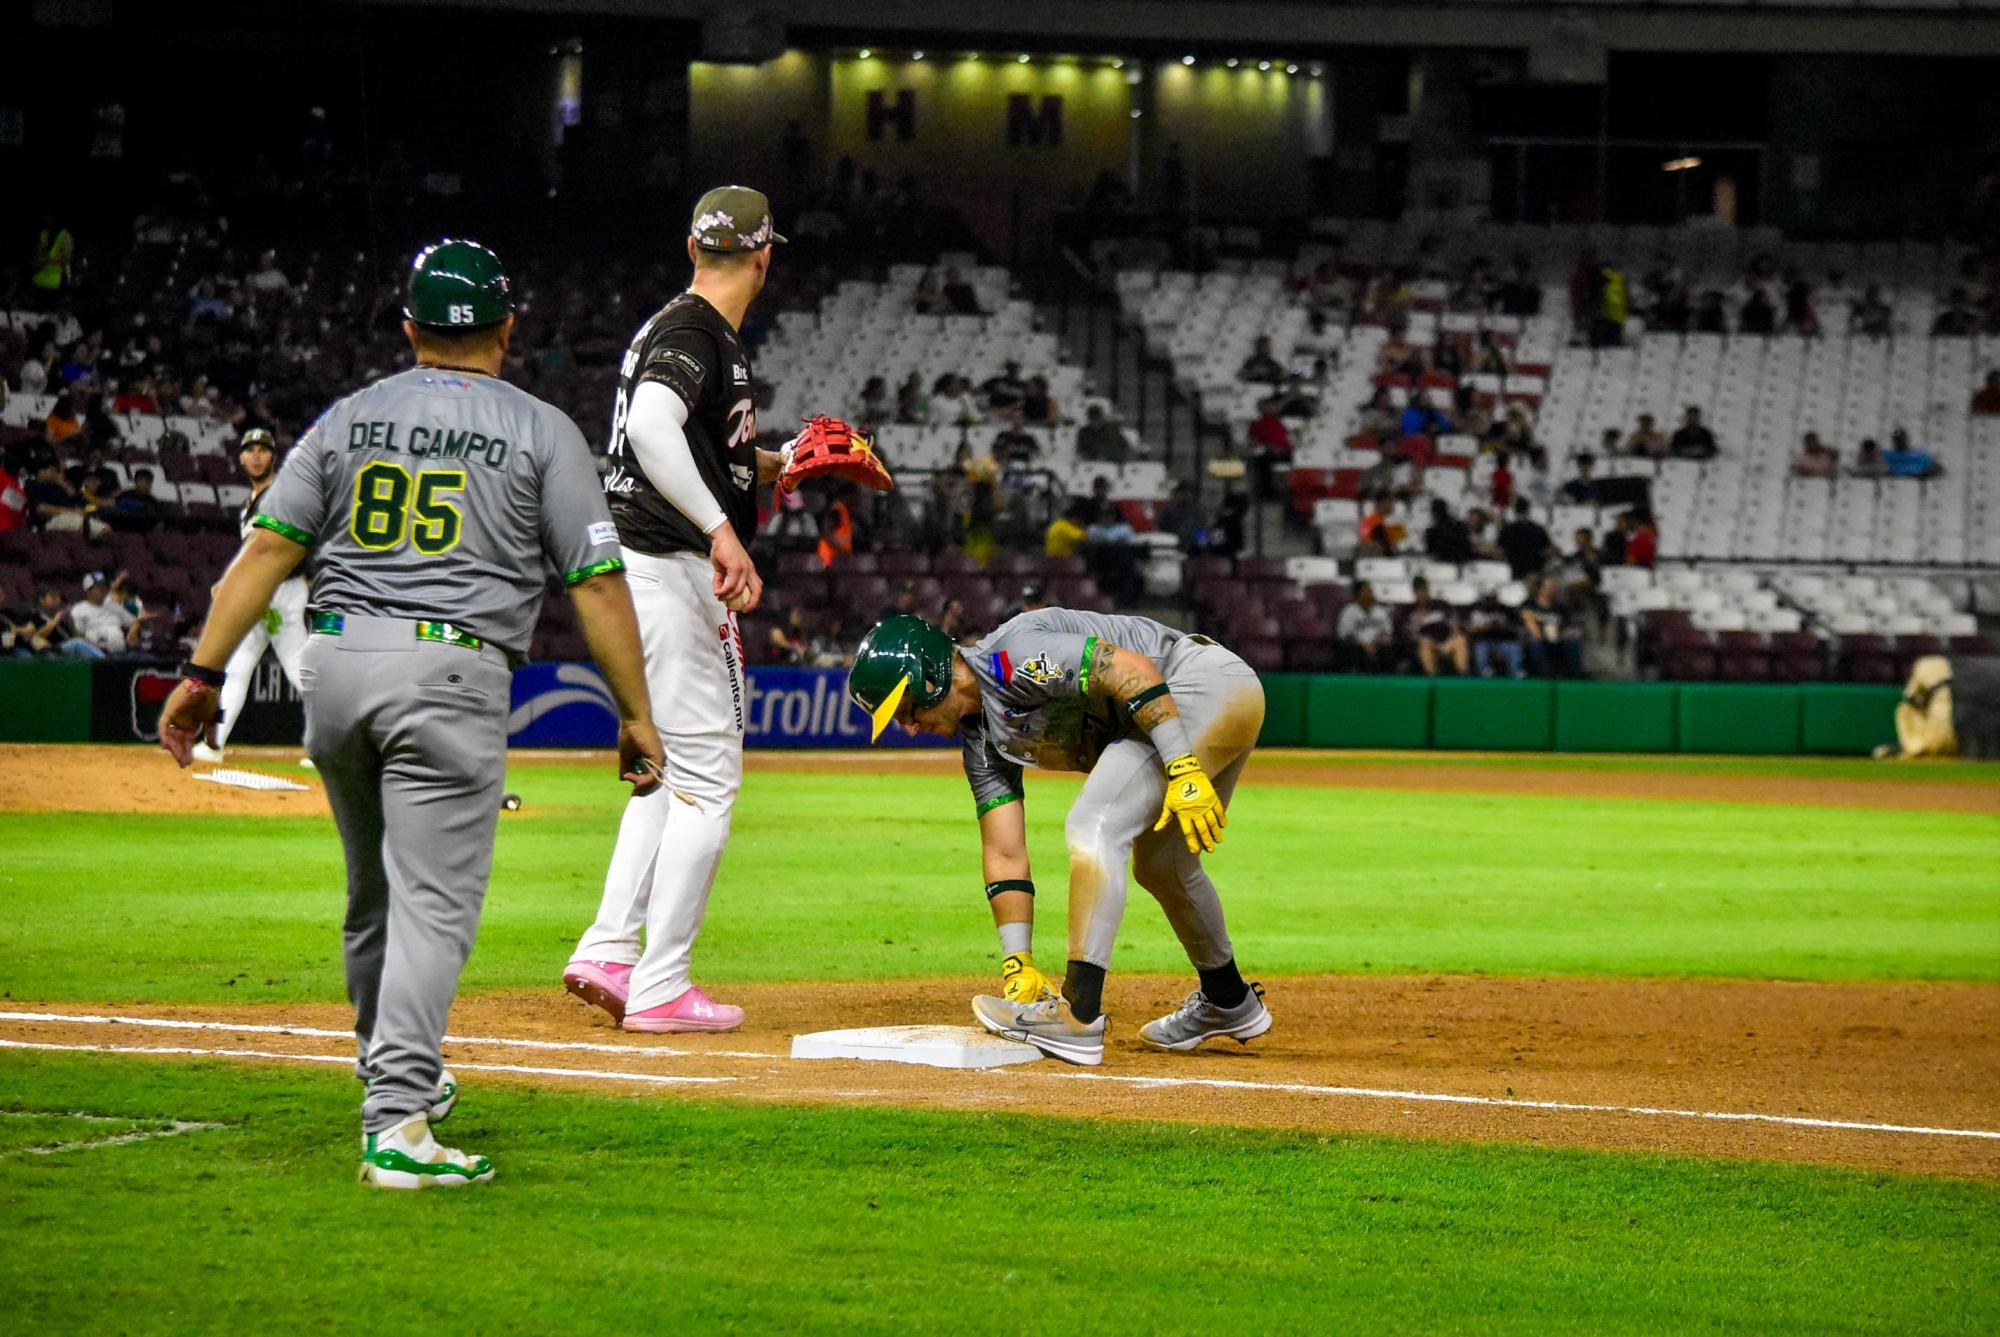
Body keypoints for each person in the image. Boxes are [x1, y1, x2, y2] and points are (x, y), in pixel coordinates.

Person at [156, 237, 664, 1190]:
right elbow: (597, 582)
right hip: (450, 673)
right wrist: (636, 711)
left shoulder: (348, 416)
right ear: (507, 329)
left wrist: (199, 672)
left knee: (374, 896)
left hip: (336, 665)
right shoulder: (543, 428)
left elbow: (266, 551)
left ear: (408, 330)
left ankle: (398, 1070)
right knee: (432, 905)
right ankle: (397, 1123)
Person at [566, 188, 800, 1038]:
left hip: (645, 566)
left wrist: (775, 462)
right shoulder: (698, 330)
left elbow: (686, 439)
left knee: (669, 772)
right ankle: (660, 984)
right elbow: (653, 426)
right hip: (668, 565)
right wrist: (720, 529)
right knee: (709, 782)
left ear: (692, 246)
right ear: (764, 257)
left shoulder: (678, 324)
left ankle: (610, 949)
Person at [846, 611, 1272, 1065]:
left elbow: (1130, 669)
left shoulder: (1012, 657)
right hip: (1195, 701)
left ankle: (1078, 1016)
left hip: (1197, 684)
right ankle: (1228, 999)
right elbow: (1004, 852)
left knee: (1096, 823)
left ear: (929, 678)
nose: (909, 727)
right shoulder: (982, 742)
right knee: (1162, 864)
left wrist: (1181, 764)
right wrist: (1018, 964)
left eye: (906, 710)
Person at [192, 427, 313, 763]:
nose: (257, 456)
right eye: (250, 450)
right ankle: (213, 745)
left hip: (281, 592)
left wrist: (233, 581)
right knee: (237, 668)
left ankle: (332, 748)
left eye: (263, 450)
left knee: (301, 672)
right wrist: (232, 581)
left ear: (273, 456)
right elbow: (253, 551)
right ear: (241, 458)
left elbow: (286, 544)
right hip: (260, 591)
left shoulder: (281, 494)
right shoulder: (250, 503)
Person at [1404, 577, 1469, 677]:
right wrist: (1416, 623)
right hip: (1429, 644)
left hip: (1447, 642)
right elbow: (1410, 634)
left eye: (1423, 591)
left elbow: (1455, 624)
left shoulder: (1441, 605)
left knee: (1460, 640)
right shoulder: (1410, 611)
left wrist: (1452, 636)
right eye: (1418, 592)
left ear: (1427, 590)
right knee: (1425, 643)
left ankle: (1463, 677)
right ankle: (1433, 678)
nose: (1422, 595)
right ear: (1414, 593)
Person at [1520, 575, 1582, 677]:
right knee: (1536, 643)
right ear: (1540, 588)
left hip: (1558, 638)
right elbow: (1530, 624)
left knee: (1572, 643)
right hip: (1536, 638)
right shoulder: (1528, 605)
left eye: (1553, 587)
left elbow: (1567, 626)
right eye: (1548, 587)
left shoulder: (1560, 608)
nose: (1552, 589)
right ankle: (1542, 674)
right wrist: (1544, 635)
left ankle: (1574, 675)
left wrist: (1562, 635)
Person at [1335, 580, 1395, 671]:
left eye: (1371, 591)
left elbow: (1387, 632)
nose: (1370, 594)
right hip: (1357, 647)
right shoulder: (1349, 611)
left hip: (1378, 646)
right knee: (1353, 651)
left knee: (1388, 648)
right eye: (1367, 591)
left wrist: (1377, 642)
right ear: (1358, 594)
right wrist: (1364, 645)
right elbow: (1347, 635)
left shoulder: (1381, 611)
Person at [1466, 589, 1524, 677]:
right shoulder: (1476, 610)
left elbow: (1513, 627)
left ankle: (1515, 671)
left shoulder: (1504, 610)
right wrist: (1486, 627)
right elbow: (1471, 628)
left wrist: (1502, 627)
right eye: (1487, 599)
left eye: (1492, 598)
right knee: (1481, 648)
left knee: (1514, 648)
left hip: (1502, 641)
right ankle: (1484, 671)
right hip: (1484, 641)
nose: (1490, 602)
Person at [1497, 498, 1553, 580]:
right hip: (1535, 569)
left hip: (1515, 569)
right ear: (1528, 511)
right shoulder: (1538, 529)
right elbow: (1547, 549)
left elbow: (1500, 549)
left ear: (1515, 511)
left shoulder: (1508, 529)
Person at [1422, 498, 1475, 565]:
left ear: (1433, 512)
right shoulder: (1460, 525)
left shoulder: (1432, 532)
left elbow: (1431, 553)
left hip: (1444, 563)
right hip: (1463, 562)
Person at [1155, 480, 1203, 551]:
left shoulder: (1198, 511)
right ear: (1177, 493)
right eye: (1183, 492)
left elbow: (1201, 530)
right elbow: (1159, 527)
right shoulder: (1168, 509)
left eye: (1188, 492)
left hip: (1192, 548)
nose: (1186, 495)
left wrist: (1202, 545)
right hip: (1171, 547)